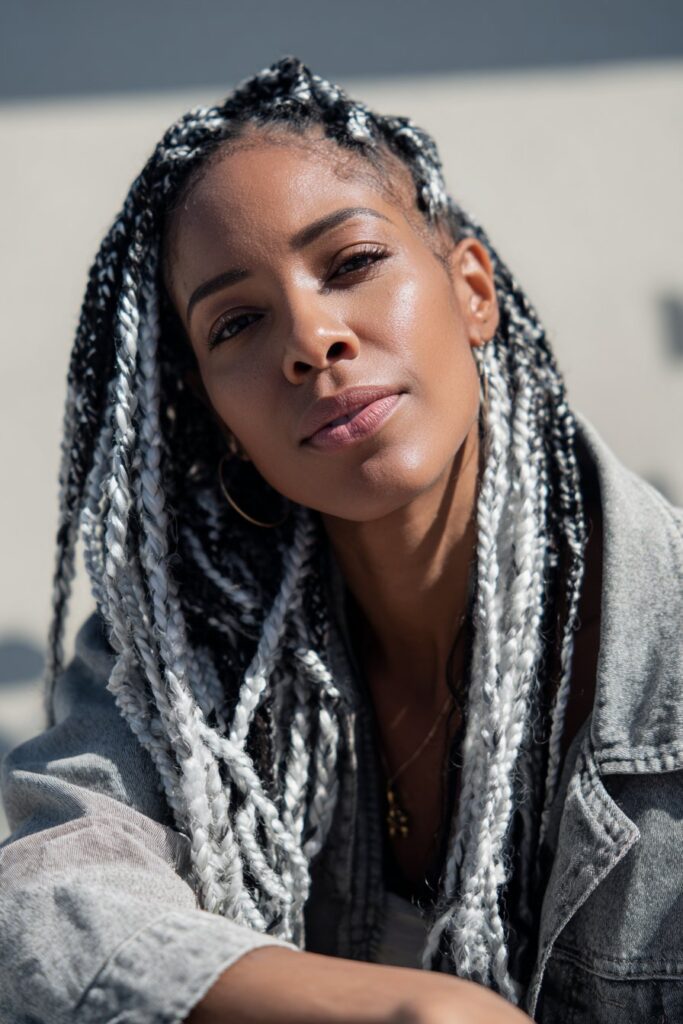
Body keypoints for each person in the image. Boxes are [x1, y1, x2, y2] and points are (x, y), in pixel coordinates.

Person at [0, 55, 681, 1024]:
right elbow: (44, 903)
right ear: (210, 407)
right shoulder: (176, 654)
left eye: (352, 263)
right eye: (236, 320)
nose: (310, 339)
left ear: (471, 288)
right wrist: (413, 1013)